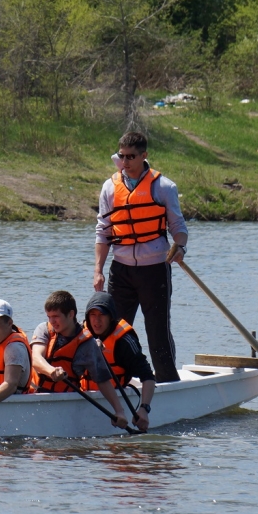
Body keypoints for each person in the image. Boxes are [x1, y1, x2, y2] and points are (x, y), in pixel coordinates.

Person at [94, 131, 188, 382]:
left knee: (157, 331)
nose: (125, 162)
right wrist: (98, 270)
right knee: (114, 329)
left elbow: (179, 228)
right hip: (121, 269)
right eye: (121, 156)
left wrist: (180, 247)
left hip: (155, 269)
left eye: (131, 157)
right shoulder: (110, 188)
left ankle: (168, 381)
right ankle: (114, 381)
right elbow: (103, 233)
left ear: (144, 156)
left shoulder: (164, 187)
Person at [31, 291, 130, 429]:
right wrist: (52, 371)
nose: (52, 321)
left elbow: (102, 380)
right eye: (49, 317)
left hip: (64, 401)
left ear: (71, 314)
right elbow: (36, 358)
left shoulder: (88, 344)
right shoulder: (44, 329)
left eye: (56, 317)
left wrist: (119, 412)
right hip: (32, 397)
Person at [84, 292, 156, 431]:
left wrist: (144, 409)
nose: (96, 321)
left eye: (101, 315)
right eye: (93, 315)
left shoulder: (124, 342)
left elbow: (148, 376)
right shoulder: (82, 333)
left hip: (116, 394)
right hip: (85, 393)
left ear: (111, 317)